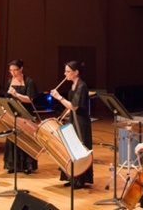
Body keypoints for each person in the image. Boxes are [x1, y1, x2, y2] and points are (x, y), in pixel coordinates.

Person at [50, 61, 93, 189]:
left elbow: (74, 106)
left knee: (80, 149)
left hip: (81, 122)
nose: (65, 74)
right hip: (74, 120)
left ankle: (81, 179)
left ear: (76, 72)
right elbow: (70, 106)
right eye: (65, 71)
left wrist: (59, 98)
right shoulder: (74, 85)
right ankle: (73, 177)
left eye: (68, 71)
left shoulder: (81, 86)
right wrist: (63, 116)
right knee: (71, 148)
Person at [4, 59, 39, 174]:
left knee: (26, 139)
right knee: (13, 138)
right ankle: (13, 165)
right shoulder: (10, 82)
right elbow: (7, 98)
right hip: (14, 114)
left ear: (21, 69)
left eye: (15, 70)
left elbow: (30, 99)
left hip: (26, 114)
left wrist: (16, 94)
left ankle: (28, 165)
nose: (13, 73)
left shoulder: (29, 82)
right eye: (11, 70)